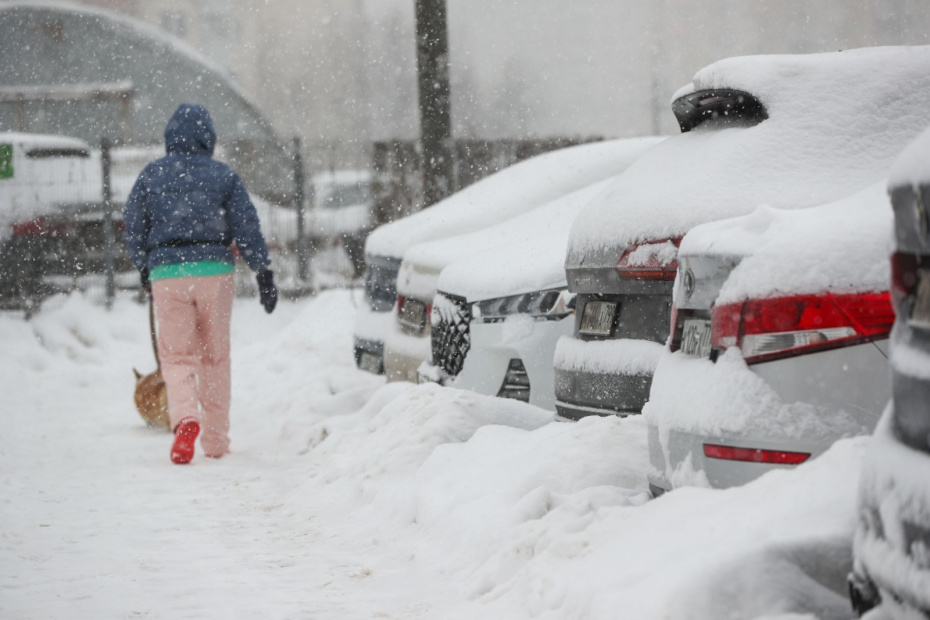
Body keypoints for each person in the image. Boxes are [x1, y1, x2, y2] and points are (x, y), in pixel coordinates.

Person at [124, 103, 277, 465]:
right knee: (214, 356)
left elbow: (133, 225)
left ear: (169, 138)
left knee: (176, 358)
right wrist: (263, 271)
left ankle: (185, 421)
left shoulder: (151, 176)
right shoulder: (223, 176)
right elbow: (246, 225)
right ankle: (215, 440)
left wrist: (145, 268)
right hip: (214, 272)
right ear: (208, 137)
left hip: (167, 274)